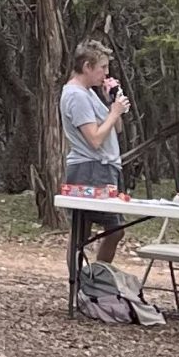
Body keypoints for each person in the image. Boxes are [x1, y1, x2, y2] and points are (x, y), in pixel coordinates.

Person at [60, 40, 130, 264]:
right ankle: (83, 281)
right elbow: (95, 139)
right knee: (103, 229)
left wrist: (114, 105)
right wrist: (114, 113)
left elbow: (115, 129)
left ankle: (94, 279)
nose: (106, 74)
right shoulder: (76, 95)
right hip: (90, 168)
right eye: (103, 68)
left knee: (108, 229)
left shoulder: (89, 93)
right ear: (87, 66)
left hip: (105, 167)